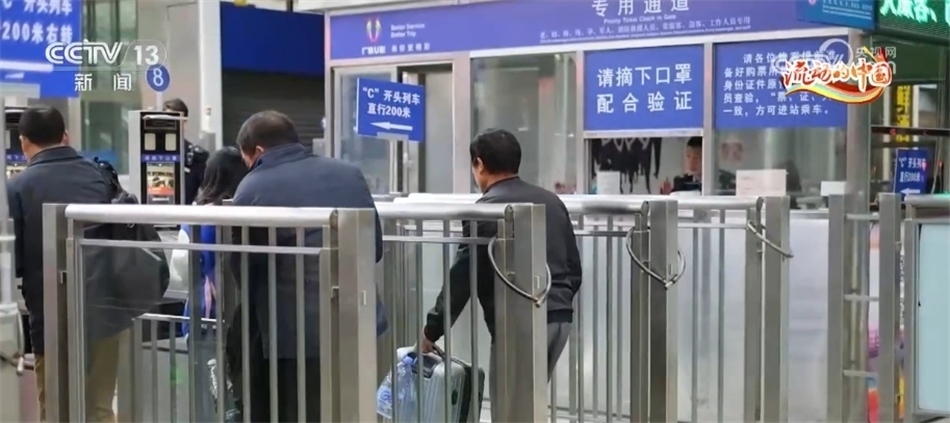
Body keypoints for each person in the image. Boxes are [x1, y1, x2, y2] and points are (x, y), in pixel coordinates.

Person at [229, 110, 383, 422]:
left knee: (296, 409)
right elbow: (375, 249)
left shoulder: (251, 187)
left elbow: (244, 269)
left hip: (291, 332)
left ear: (256, 150)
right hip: (357, 322)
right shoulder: (349, 173)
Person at [420, 129, 583, 385]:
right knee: (531, 396)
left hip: (518, 324)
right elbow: (574, 269)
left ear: (479, 164)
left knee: (509, 400)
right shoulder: (552, 201)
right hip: (559, 317)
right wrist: (556, 302)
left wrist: (432, 330)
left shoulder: (487, 211)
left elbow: (462, 279)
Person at [6, 106, 118, 422]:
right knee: (99, 408)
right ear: (65, 136)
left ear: (24, 142)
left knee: (55, 407)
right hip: (105, 309)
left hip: (50, 314)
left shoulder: (16, 188)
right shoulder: (100, 176)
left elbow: (13, 261)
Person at [163, 98, 209, 205]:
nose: (172, 125)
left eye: (177, 121)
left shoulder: (195, 156)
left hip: (184, 212)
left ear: (184, 123)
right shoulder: (151, 153)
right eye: (168, 121)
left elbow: (207, 191)